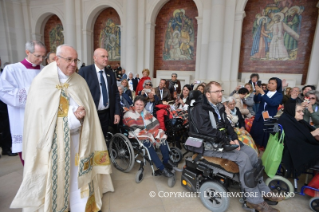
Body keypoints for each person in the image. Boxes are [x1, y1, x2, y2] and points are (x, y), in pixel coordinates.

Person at [10, 44, 114, 211]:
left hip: (80, 140)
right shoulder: (42, 82)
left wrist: (82, 113)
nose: (73, 64)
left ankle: (80, 204)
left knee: (77, 174)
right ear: (57, 60)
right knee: (62, 175)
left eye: (75, 60)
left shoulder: (79, 81)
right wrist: (73, 117)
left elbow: (88, 107)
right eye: (69, 60)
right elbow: (41, 120)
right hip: (55, 145)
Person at [191, 81, 282, 211]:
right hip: (208, 145)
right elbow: (206, 131)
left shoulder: (219, 107)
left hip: (223, 141)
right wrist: (227, 141)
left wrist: (233, 138)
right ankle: (254, 200)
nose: (220, 94)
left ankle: (264, 191)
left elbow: (227, 125)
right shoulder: (199, 109)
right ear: (208, 94)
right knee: (243, 158)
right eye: (217, 91)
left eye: (221, 91)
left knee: (252, 153)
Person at [0, 40, 46, 164]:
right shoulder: (12, 70)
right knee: (29, 162)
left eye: (43, 56)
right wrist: (34, 92)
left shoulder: (45, 71)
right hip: (23, 120)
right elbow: (5, 93)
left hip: (44, 120)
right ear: (27, 52)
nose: (41, 59)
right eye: (38, 55)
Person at [123, 96, 174, 177]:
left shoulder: (146, 112)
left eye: (141, 105)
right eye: (137, 104)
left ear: (144, 106)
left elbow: (155, 123)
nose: (139, 107)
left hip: (149, 132)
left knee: (162, 137)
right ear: (134, 104)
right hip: (138, 134)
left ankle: (166, 161)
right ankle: (162, 168)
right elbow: (133, 127)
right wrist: (147, 133)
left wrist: (151, 131)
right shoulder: (129, 114)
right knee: (148, 144)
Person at [78, 48, 120, 139]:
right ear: (95, 58)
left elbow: (115, 93)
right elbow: (78, 93)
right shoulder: (84, 72)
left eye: (107, 57)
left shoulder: (110, 73)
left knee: (102, 139)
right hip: (90, 115)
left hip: (105, 115)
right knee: (91, 140)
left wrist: (117, 112)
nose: (106, 59)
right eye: (103, 56)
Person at [278, 102, 319, 177]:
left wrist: (315, 135)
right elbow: (292, 139)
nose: (302, 113)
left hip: (302, 146)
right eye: (299, 111)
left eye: (302, 111)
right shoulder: (285, 120)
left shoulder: (298, 121)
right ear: (291, 111)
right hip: (295, 151)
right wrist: (312, 134)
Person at [250, 77, 283, 149]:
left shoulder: (279, 95)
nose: (269, 85)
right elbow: (256, 100)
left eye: (272, 83)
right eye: (269, 82)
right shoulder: (265, 92)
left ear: (277, 85)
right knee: (256, 132)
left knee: (266, 135)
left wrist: (262, 93)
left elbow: (272, 103)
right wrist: (257, 93)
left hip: (270, 117)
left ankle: (264, 151)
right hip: (260, 115)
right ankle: (255, 148)